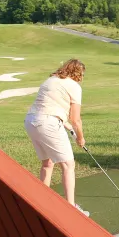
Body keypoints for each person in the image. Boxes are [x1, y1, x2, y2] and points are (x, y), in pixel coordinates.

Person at [24, 59, 89, 216]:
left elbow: (50, 107)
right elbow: (76, 120)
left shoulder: (51, 80)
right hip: (48, 122)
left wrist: (65, 125)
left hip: (31, 121)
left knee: (47, 162)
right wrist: (80, 138)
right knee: (68, 165)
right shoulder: (74, 86)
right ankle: (70, 208)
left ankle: (42, 202)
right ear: (79, 73)